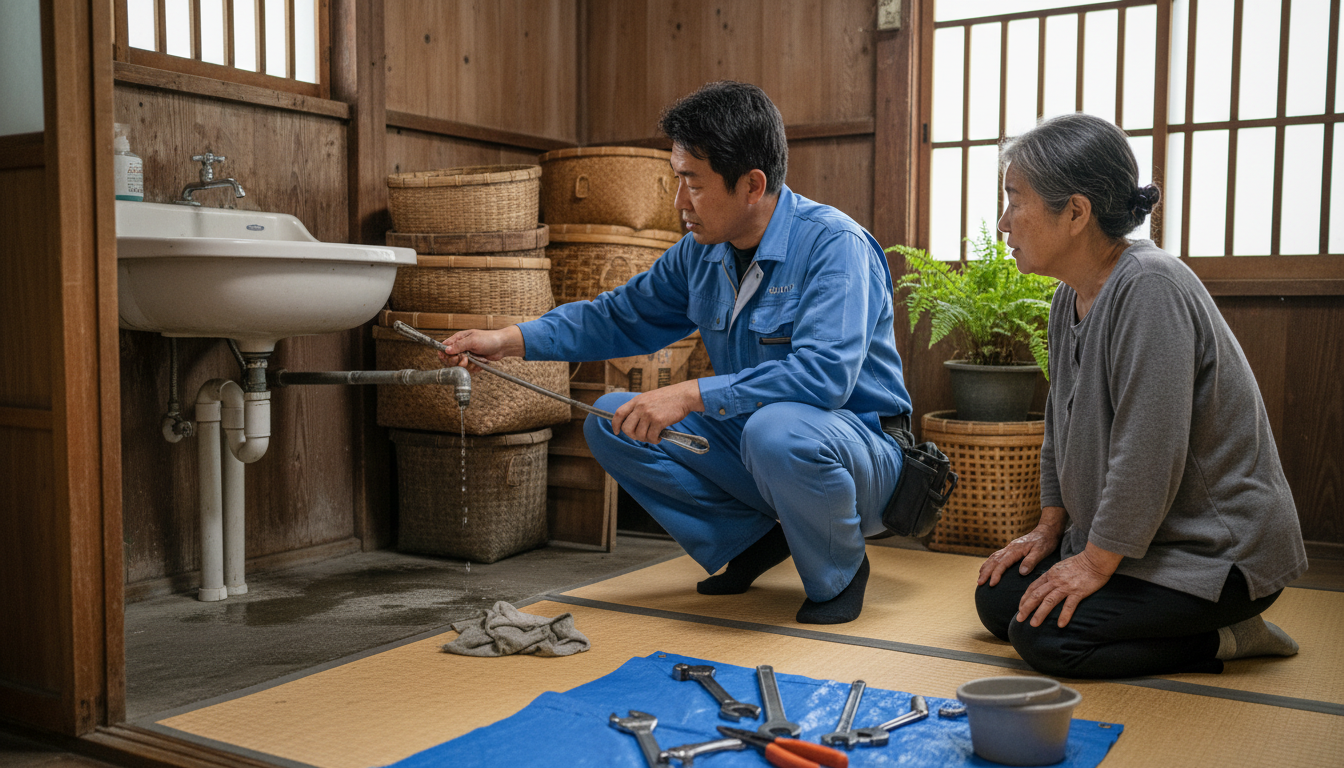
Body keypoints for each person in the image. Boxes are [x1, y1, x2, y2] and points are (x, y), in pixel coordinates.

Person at [438, 80, 912, 624]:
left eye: (693, 183)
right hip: (764, 446)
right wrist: (507, 341)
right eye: (676, 179)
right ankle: (748, 543)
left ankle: (839, 571)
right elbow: (618, 315)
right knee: (614, 419)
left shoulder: (834, 246)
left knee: (774, 429)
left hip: (864, 457)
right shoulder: (700, 254)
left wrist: (690, 394)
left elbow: (825, 377)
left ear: (752, 185)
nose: (678, 202)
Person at [976, 112, 1308, 678]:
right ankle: (1160, 606)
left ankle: (1231, 634)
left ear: (1076, 212)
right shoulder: (1070, 296)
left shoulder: (1150, 286)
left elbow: (1149, 451)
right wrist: (1051, 529)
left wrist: (1095, 563)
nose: (1004, 222)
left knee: (1046, 642)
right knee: (1000, 600)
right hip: (1141, 545)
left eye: (1015, 199)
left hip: (1210, 553)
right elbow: (1059, 428)